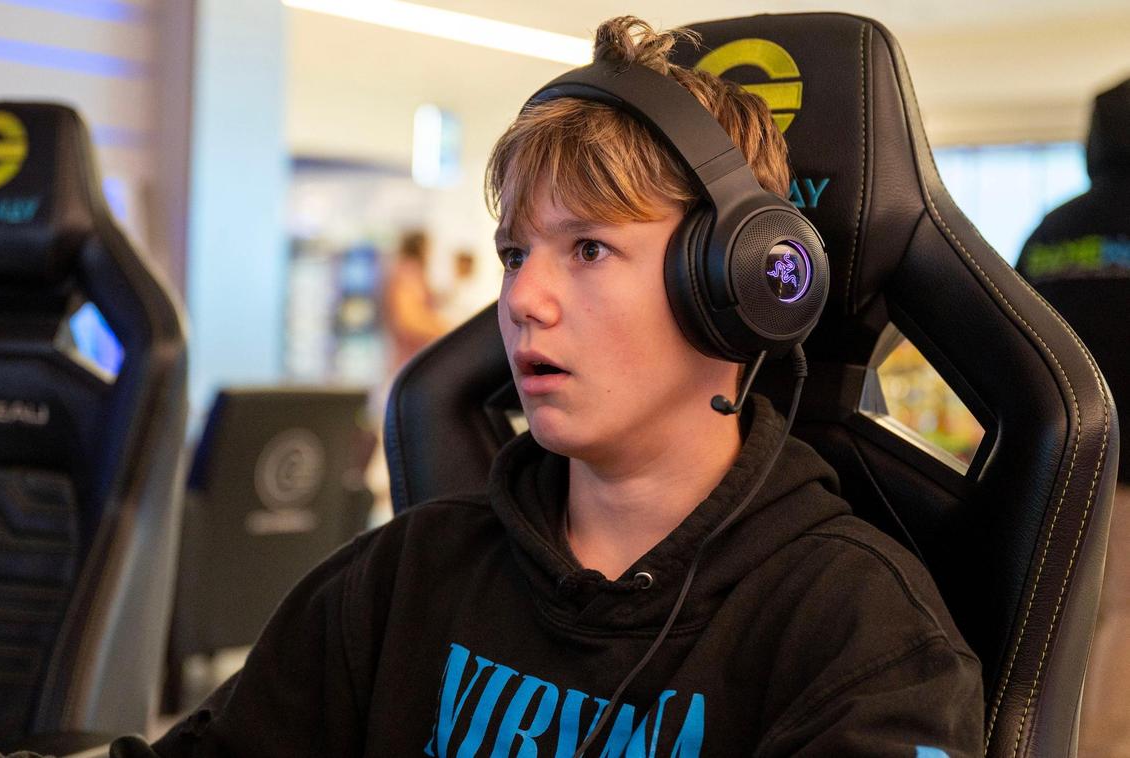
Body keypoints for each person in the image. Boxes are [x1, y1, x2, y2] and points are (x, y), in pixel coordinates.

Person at [133, 17, 982, 757]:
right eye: (514, 254)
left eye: (587, 248)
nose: (521, 302)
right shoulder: (404, 576)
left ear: (734, 286)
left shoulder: (858, 632)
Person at [1015, 76, 1130, 756]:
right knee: (1122, 621)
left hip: (1059, 467)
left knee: (1062, 619)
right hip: (1126, 480)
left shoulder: (1051, 231)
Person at [382, 229, 447, 374]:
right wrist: (446, 331)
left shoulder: (413, 272)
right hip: (409, 362)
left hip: (413, 359)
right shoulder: (407, 272)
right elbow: (408, 320)